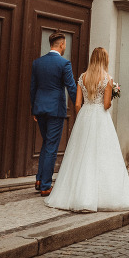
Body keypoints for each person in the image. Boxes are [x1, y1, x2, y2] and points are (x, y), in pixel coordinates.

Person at [45, 47, 129, 212]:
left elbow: (77, 103)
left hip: (85, 117)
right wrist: (113, 93)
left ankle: (74, 195)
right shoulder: (107, 79)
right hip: (100, 117)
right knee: (102, 153)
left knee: (80, 153)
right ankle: (99, 195)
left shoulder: (82, 77)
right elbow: (106, 104)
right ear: (105, 60)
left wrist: (83, 116)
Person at [30, 31, 78, 196]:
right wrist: (79, 106)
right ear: (62, 44)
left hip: (40, 108)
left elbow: (33, 88)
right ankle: (45, 185)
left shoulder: (38, 63)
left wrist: (33, 109)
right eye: (65, 45)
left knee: (46, 144)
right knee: (51, 146)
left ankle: (39, 179)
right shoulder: (64, 64)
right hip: (55, 110)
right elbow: (71, 87)